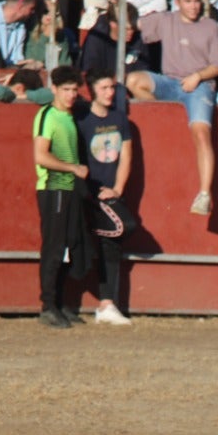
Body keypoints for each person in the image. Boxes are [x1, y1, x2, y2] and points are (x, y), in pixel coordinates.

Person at [129, 0, 218, 218]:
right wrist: (115, 3)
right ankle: (166, 117)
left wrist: (198, 76)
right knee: (134, 81)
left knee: (203, 133)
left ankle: (204, 193)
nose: (194, 7)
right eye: (188, 2)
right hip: (170, 82)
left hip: (200, 86)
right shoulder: (166, 20)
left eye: (197, 1)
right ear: (177, 2)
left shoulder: (210, 26)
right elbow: (133, 23)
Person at [30, 66, 91, 330]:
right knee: (55, 247)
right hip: (54, 187)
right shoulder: (48, 115)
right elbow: (41, 156)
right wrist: (73, 168)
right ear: (53, 89)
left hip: (69, 189)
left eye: (74, 90)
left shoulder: (69, 116)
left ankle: (61, 303)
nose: (71, 95)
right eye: (65, 90)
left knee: (70, 245)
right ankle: (47, 306)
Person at [75, 70, 136, 326]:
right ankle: (105, 304)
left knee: (110, 245)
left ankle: (107, 304)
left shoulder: (120, 119)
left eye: (112, 88)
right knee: (124, 226)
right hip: (92, 193)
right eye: (104, 88)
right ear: (92, 90)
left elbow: (126, 157)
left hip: (111, 193)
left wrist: (119, 189)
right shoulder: (82, 120)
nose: (110, 93)